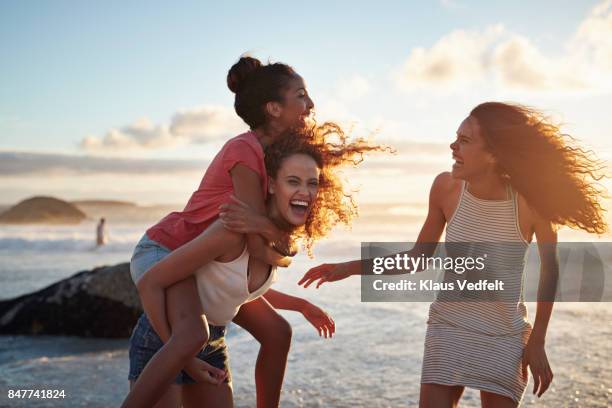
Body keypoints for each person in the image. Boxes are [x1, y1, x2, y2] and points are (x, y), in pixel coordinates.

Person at [299, 102, 608, 407]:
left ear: (494, 154)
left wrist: (538, 340)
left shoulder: (531, 204)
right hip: (449, 327)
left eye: (465, 141)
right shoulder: (445, 189)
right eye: (455, 137)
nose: (452, 146)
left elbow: (550, 271)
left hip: (504, 335)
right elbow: (417, 258)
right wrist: (349, 267)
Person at [125, 124, 385, 407]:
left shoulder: (273, 241)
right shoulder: (233, 230)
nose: (305, 192)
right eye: (293, 181)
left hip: (212, 346)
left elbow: (232, 288)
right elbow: (152, 281)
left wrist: (301, 305)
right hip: (166, 341)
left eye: (312, 183)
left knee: (280, 331)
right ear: (272, 184)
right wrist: (185, 359)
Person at [123, 55, 315, 408]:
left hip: (201, 258)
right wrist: (269, 233)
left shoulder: (275, 156)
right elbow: (258, 248)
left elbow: (249, 266)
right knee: (193, 334)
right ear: (273, 108)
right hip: (167, 248)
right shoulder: (245, 151)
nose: (311, 104)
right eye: (301, 95)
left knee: (277, 331)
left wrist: (298, 299)